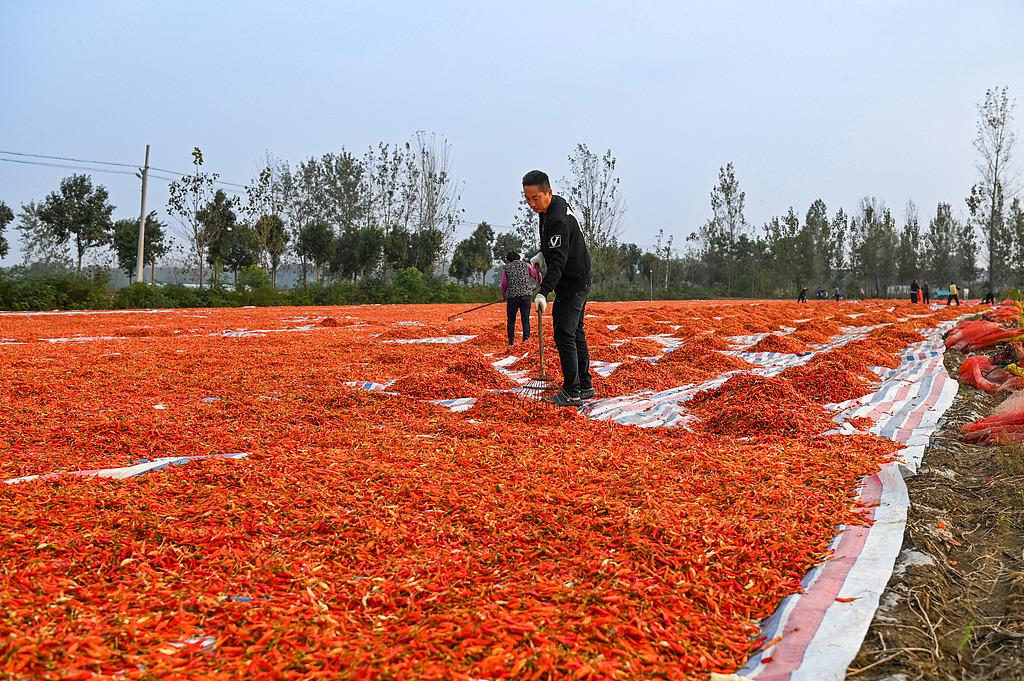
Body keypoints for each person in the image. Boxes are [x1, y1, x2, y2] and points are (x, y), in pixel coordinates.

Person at [523, 169, 594, 407]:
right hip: (580, 277)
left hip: (572, 283)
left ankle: (571, 392)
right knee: (576, 333)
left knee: (565, 335)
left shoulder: (556, 219)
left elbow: (560, 261)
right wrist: (543, 253)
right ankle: (585, 385)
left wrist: (543, 291)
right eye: (527, 198)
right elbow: (557, 247)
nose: (531, 204)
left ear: (548, 193)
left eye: (535, 198)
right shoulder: (551, 208)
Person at [500, 251, 541, 345]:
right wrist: (539, 284)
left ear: (508, 260)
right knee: (525, 320)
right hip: (526, 297)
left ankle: (511, 341)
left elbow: (504, 283)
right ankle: (526, 339)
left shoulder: (507, 268)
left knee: (511, 320)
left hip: (513, 297)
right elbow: (537, 275)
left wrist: (503, 295)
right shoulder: (526, 265)